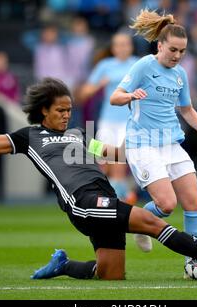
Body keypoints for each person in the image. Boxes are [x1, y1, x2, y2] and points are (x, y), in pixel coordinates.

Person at [0, 77, 197, 280]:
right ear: (43, 111)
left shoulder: (81, 134)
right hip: (83, 203)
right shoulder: (28, 137)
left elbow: (116, 154)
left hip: (102, 197)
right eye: (60, 110)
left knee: (111, 276)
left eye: (69, 110)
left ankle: (64, 265)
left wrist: (147, 136)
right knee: (154, 225)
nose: (66, 115)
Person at [109, 9, 197, 270]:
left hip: (171, 144)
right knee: (167, 205)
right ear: (160, 45)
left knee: (193, 202)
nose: (177, 56)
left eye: (182, 51)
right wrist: (131, 96)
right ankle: (141, 222)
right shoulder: (144, 65)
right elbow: (115, 97)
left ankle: (195, 261)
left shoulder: (180, 75)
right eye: (173, 50)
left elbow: (187, 110)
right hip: (143, 144)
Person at [79, 32, 138, 205]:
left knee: (118, 167)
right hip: (106, 122)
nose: (122, 48)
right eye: (118, 44)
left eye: (125, 44)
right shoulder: (105, 65)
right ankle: (125, 201)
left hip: (128, 123)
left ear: (131, 46)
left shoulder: (137, 65)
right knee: (104, 165)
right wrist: (100, 84)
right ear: (113, 48)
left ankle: (119, 207)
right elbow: (83, 94)